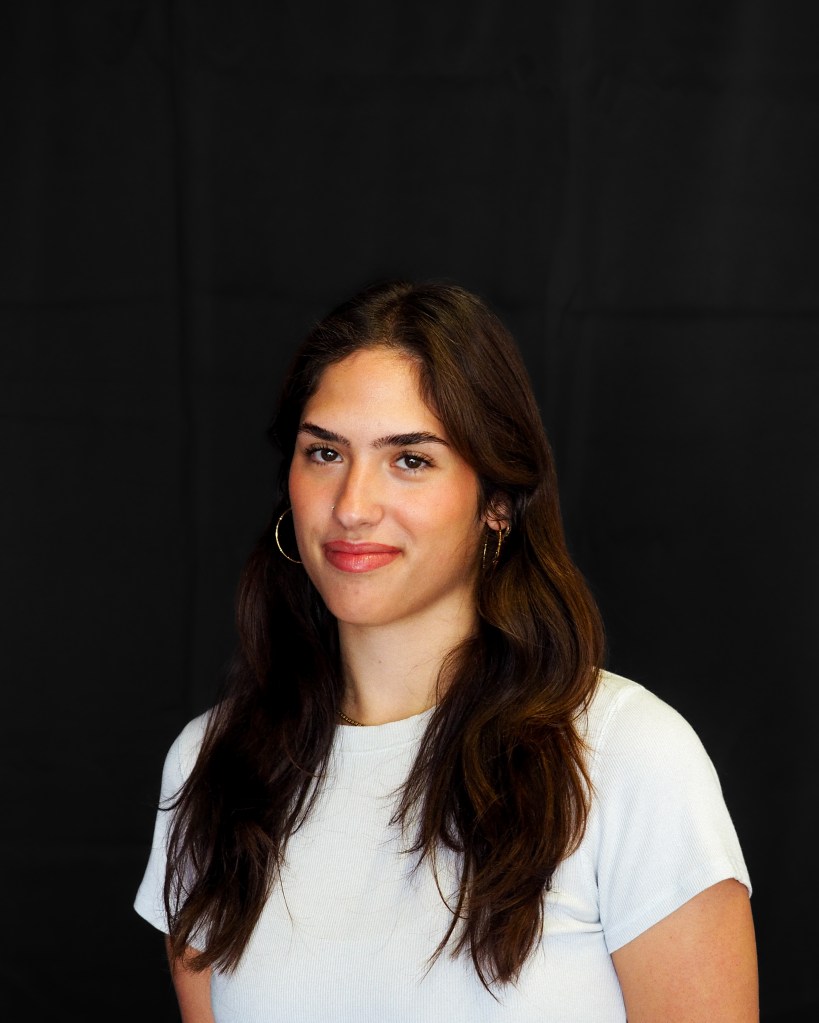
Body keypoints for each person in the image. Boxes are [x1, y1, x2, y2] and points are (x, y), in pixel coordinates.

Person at [135, 280, 758, 1022]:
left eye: (410, 459)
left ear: (497, 502)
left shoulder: (626, 756)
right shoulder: (211, 764)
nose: (352, 506)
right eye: (325, 452)